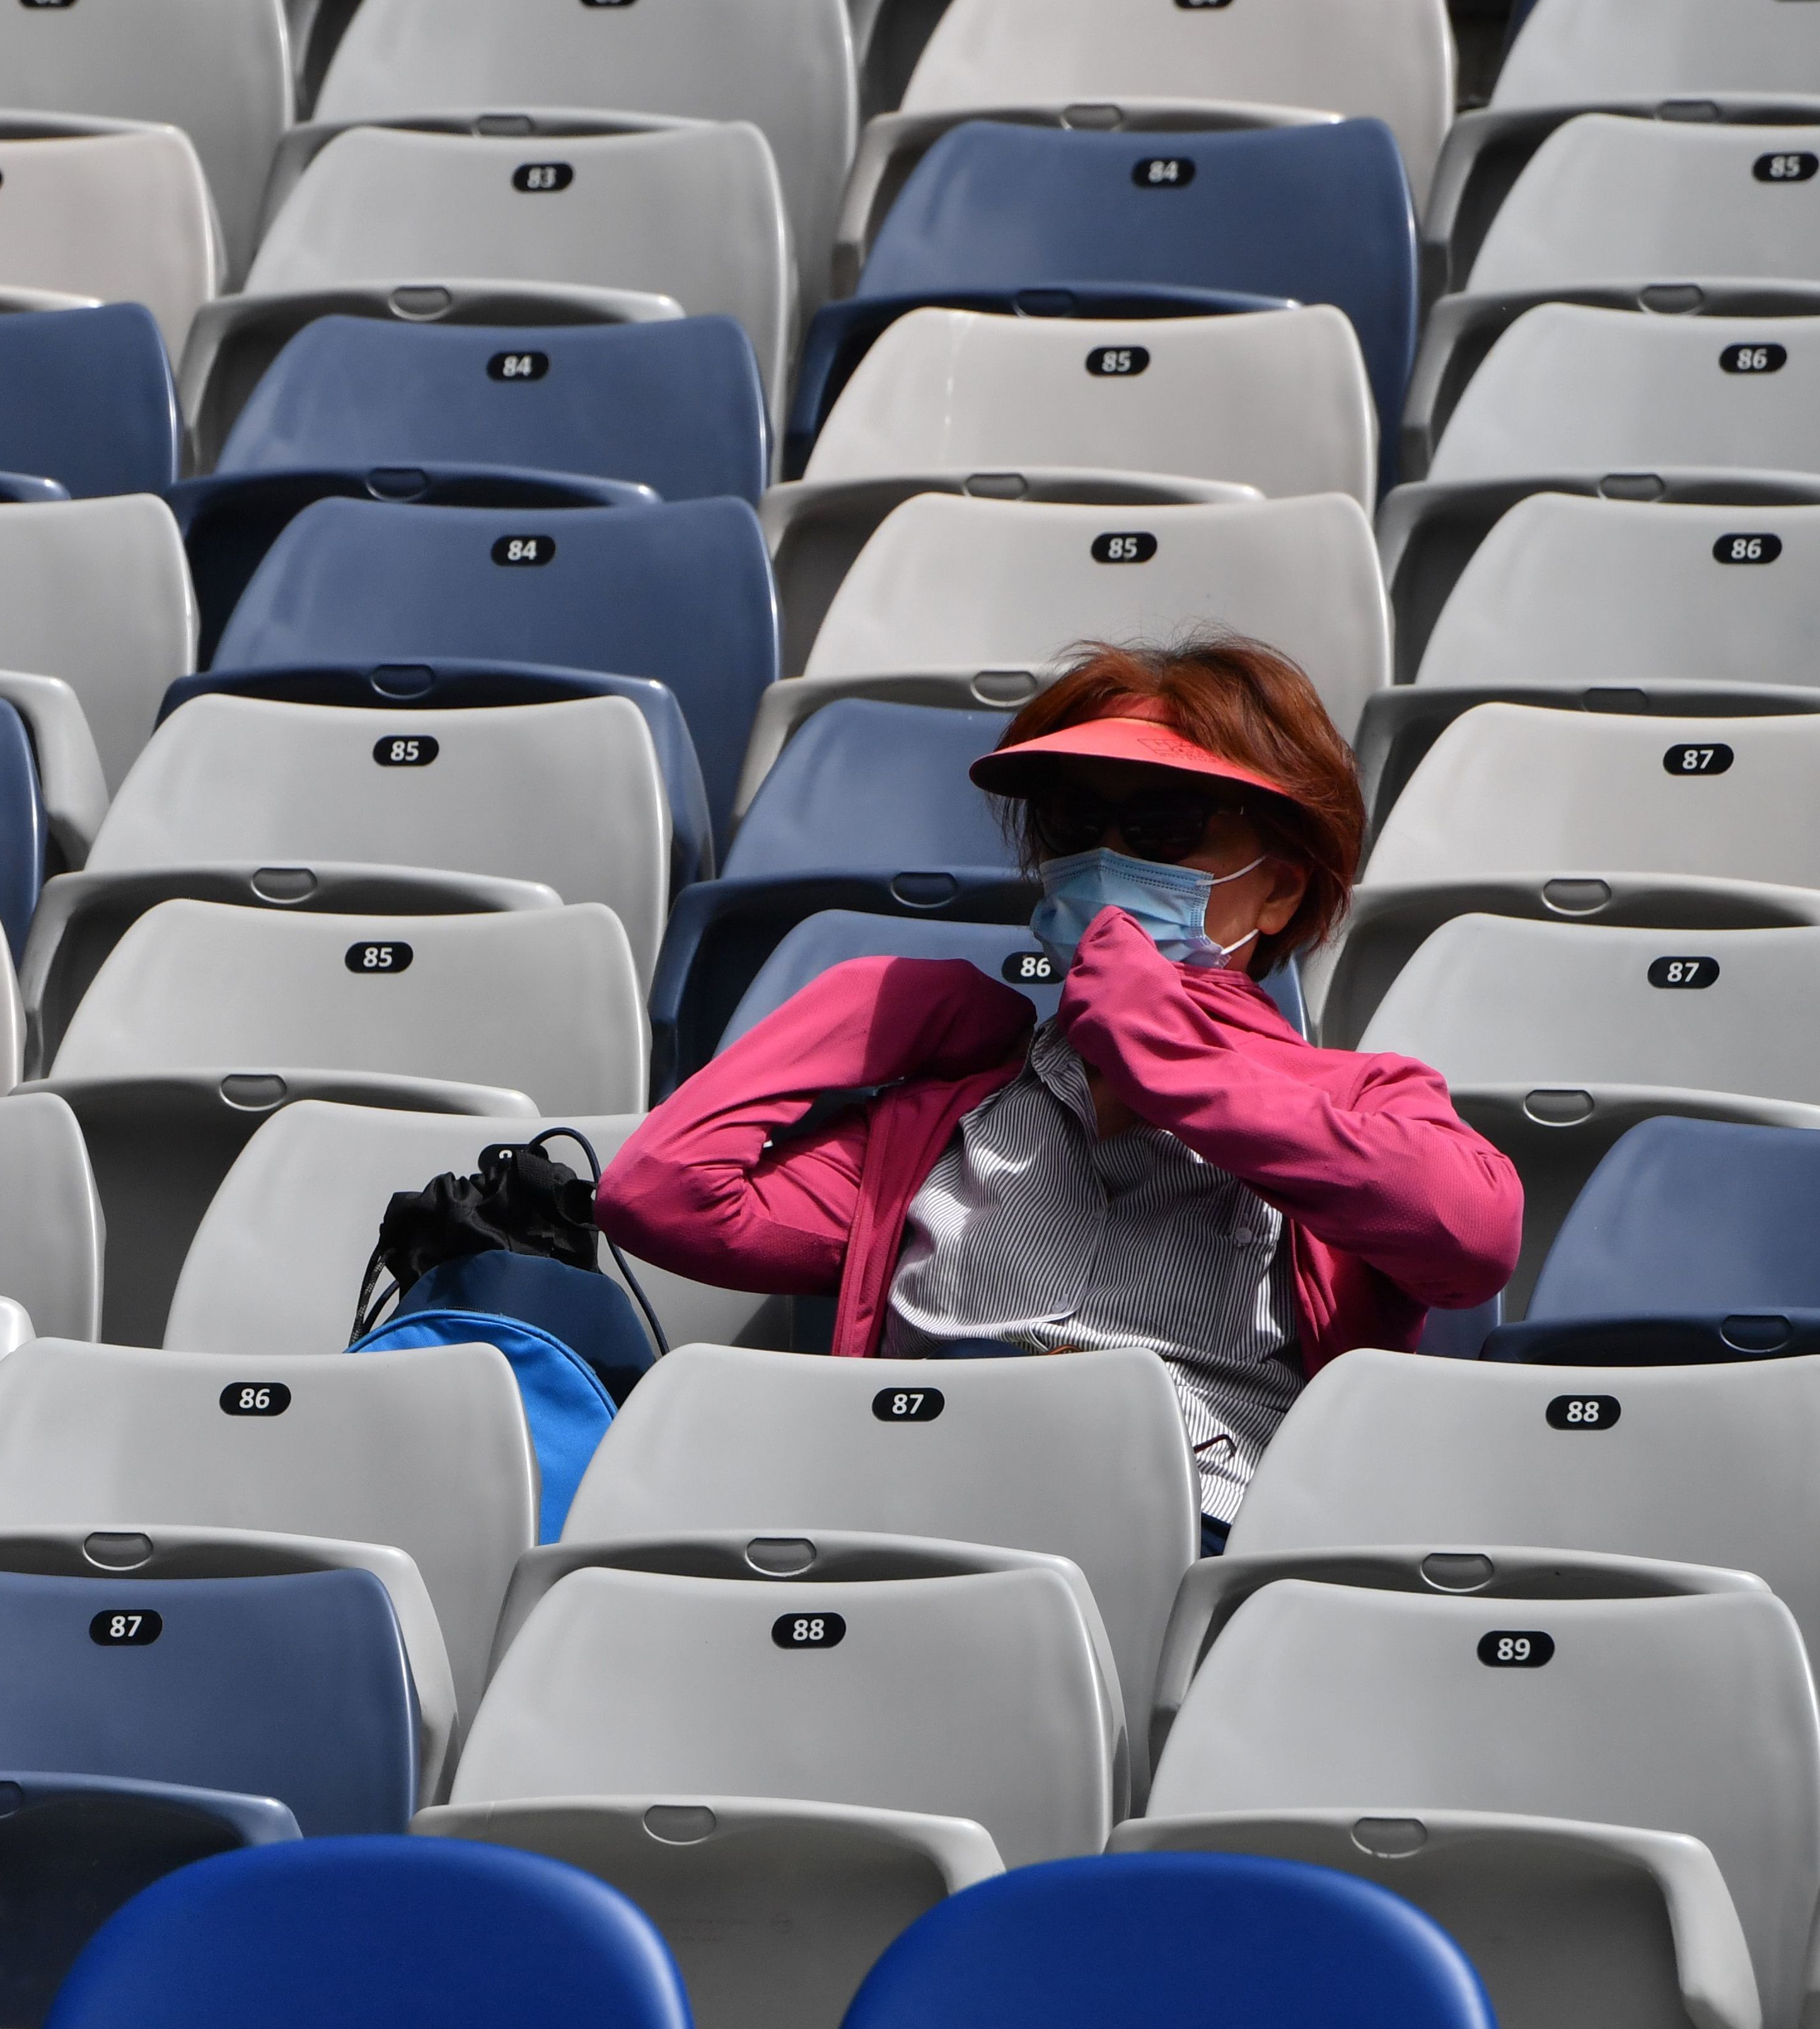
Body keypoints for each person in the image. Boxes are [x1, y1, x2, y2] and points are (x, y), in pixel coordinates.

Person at [599, 638, 1522, 1547]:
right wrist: (867, 1008)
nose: (1104, 857)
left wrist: (1177, 1063)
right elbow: (663, 1194)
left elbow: (1471, 1237)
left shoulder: (1362, 1098)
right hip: (900, 1512)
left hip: (1175, 1527)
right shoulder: (940, 1122)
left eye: (1163, 827)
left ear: (1276, 893)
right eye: (1071, 826)